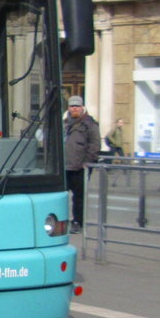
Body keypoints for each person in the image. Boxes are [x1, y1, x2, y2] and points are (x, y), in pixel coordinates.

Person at [64, 96, 100, 233]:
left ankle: (77, 221)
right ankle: (62, 220)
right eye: (72, 106)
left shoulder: (89, 124)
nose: (74, 108)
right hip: (64, 167)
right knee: (61, 196)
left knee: (78, 197)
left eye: (77, 106)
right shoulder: (64, 122)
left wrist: (88, 162)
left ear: (82, 107)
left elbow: (95, 144)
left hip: (80, 167)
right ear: (68, 108)